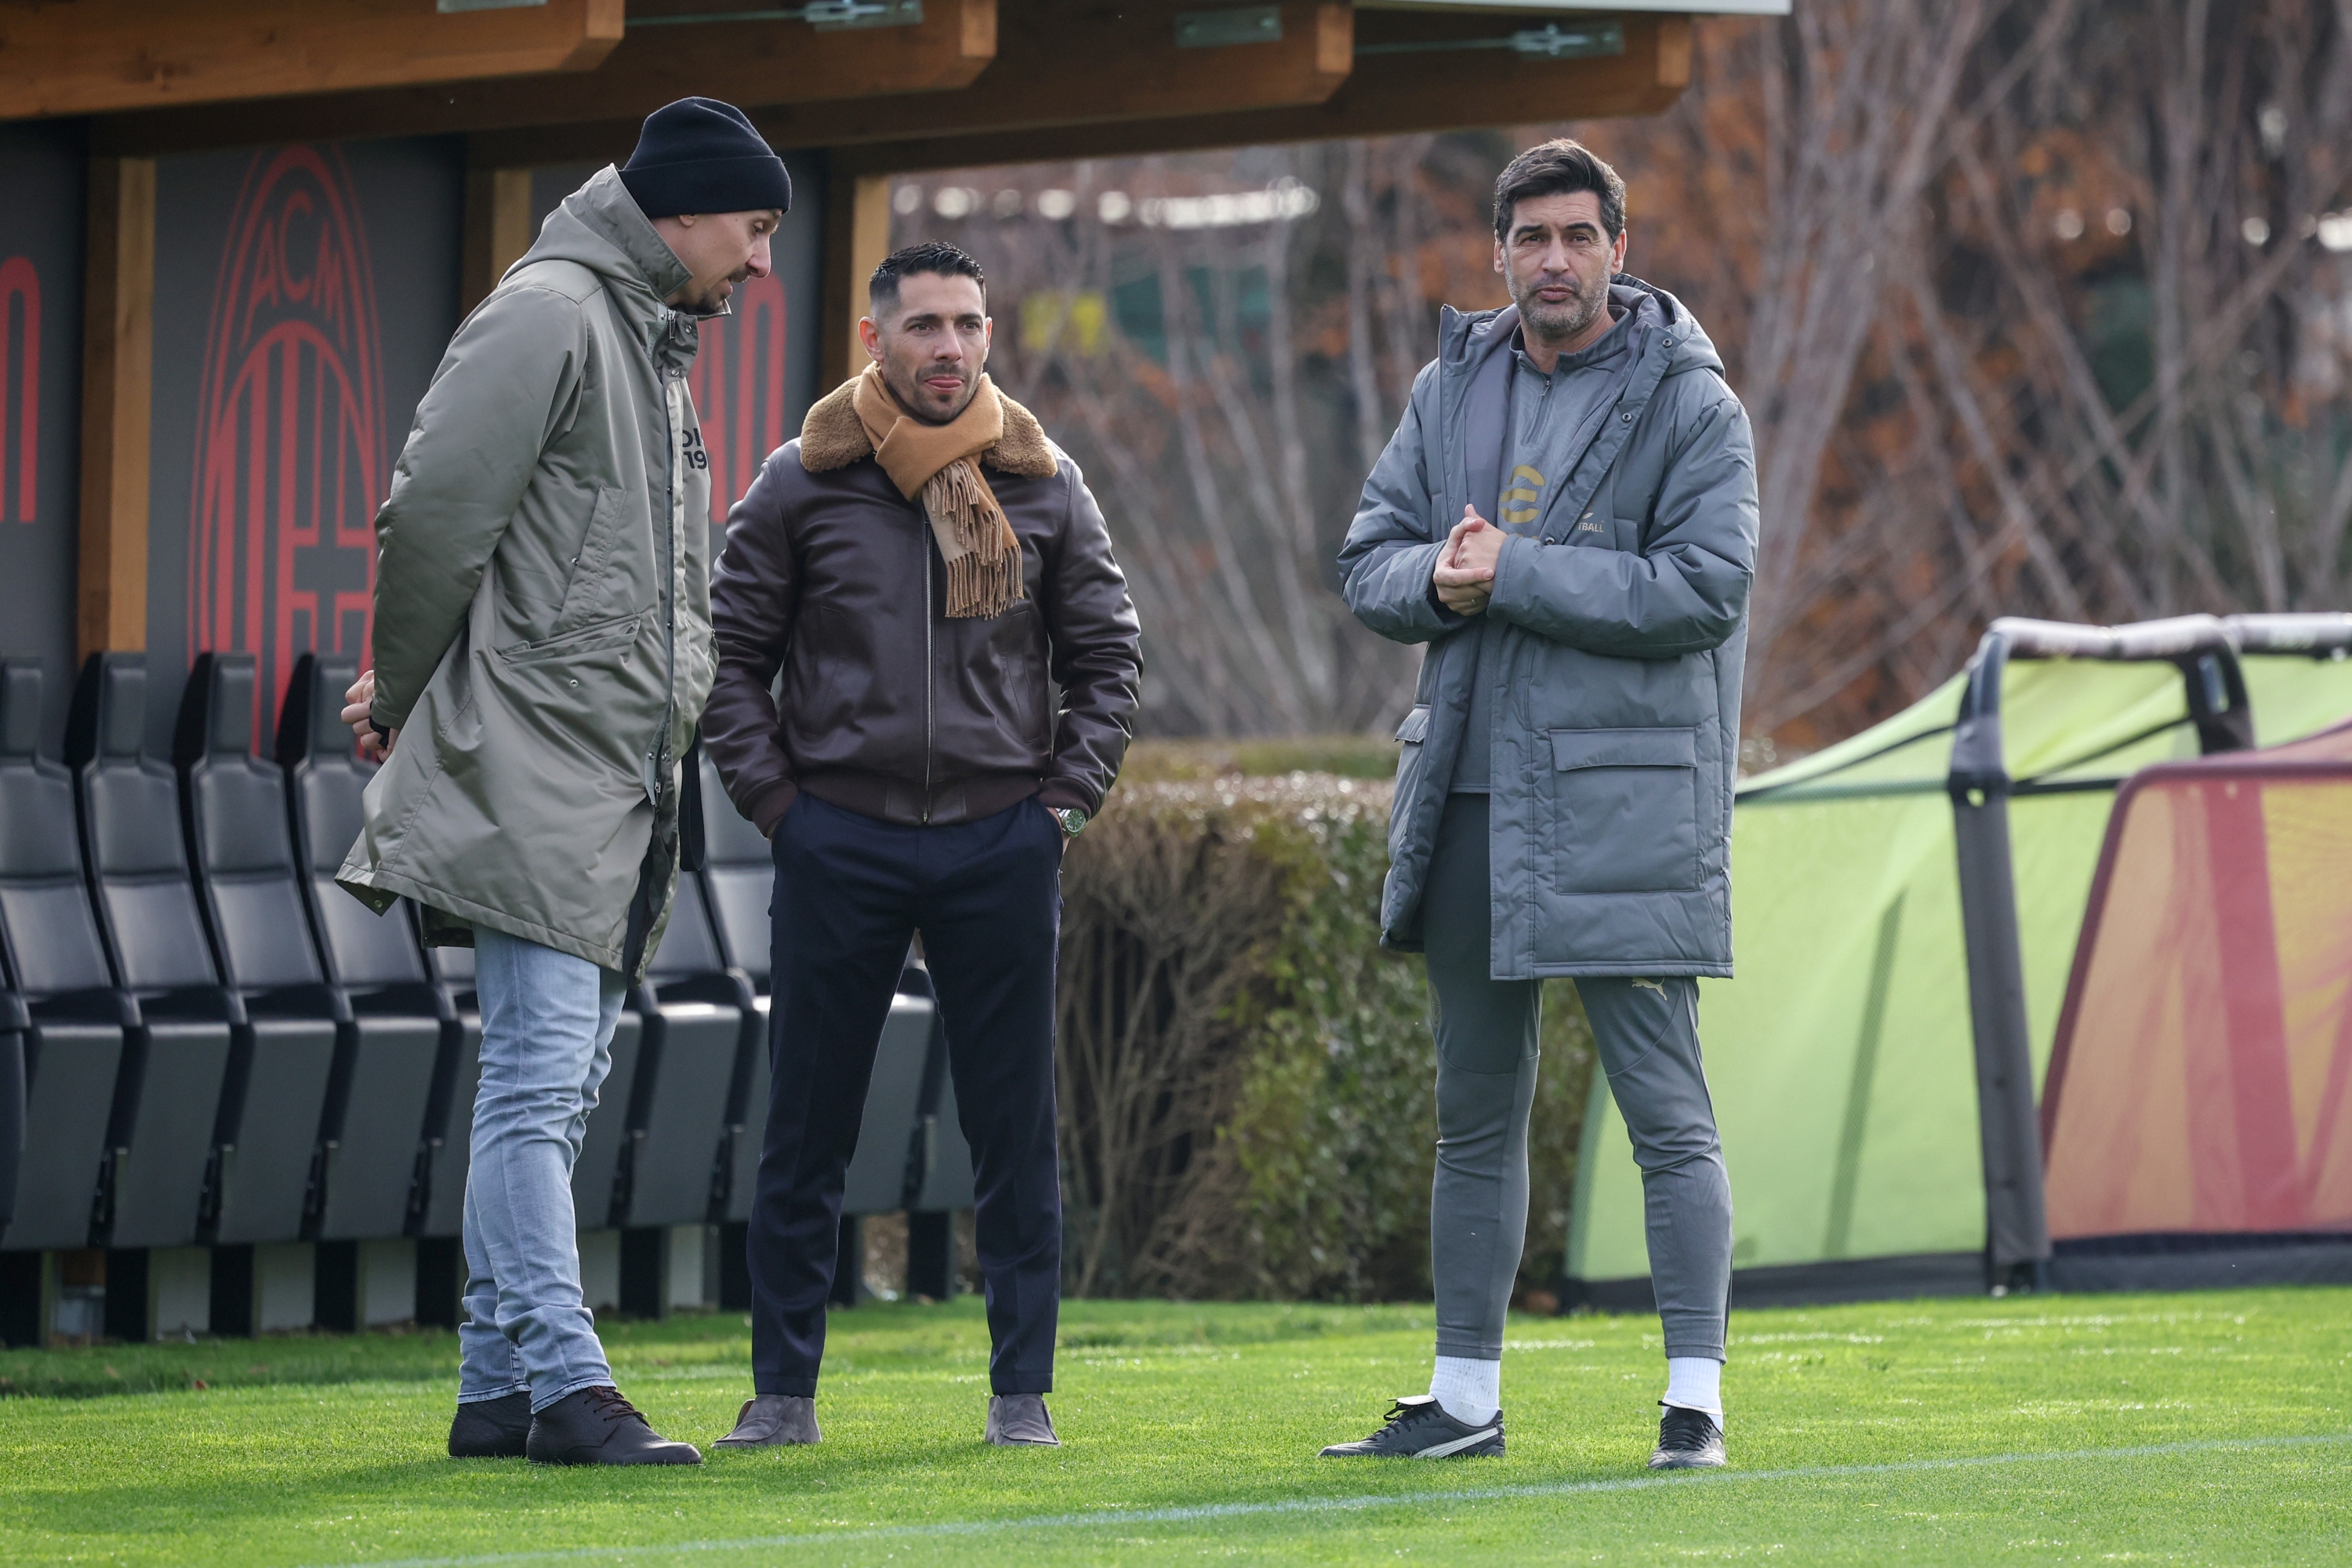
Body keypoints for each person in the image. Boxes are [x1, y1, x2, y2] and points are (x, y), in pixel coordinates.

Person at [336, 97, 789, 1466]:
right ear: (687, 212)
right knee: (540, 1088)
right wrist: (400, 690)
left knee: (557, 1088)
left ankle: (495, 1389)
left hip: (608, 781)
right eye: (755, 229)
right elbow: (434, 511)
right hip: (535, 765)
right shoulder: (551, 313)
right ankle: (570, 1383)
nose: (762, 263)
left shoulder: (641, 336)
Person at [1328, 139, 1758, 1470]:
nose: (1554, 260)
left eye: (1580, 235)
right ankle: (1464, 1403)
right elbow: (1369, 561)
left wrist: (1512, 570)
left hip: (1625, 807)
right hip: (1462, 793)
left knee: (1666, 1112)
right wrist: (1439, 585)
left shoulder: (1696, 404)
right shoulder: (1449, 388)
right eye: (1532, 238)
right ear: (1500, 252)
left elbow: (1704, 589)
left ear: (1621, 249)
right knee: (1475, 1113)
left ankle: (1696, 1403)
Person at [700, 241, 1140, 1450]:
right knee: (807, 1132)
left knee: (1013, 1129)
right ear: (873, 341)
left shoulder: (1045, 480)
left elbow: (1106, 660)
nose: (948, 348)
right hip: (838, 837)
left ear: (990, 336)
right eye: (924, 327)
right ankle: (782, 1396)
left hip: (1001, 840)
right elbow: (728, 663)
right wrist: (783, 811)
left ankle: (1021, 1399)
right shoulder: (799, 481)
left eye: (968, 325)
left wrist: (1059, 808)